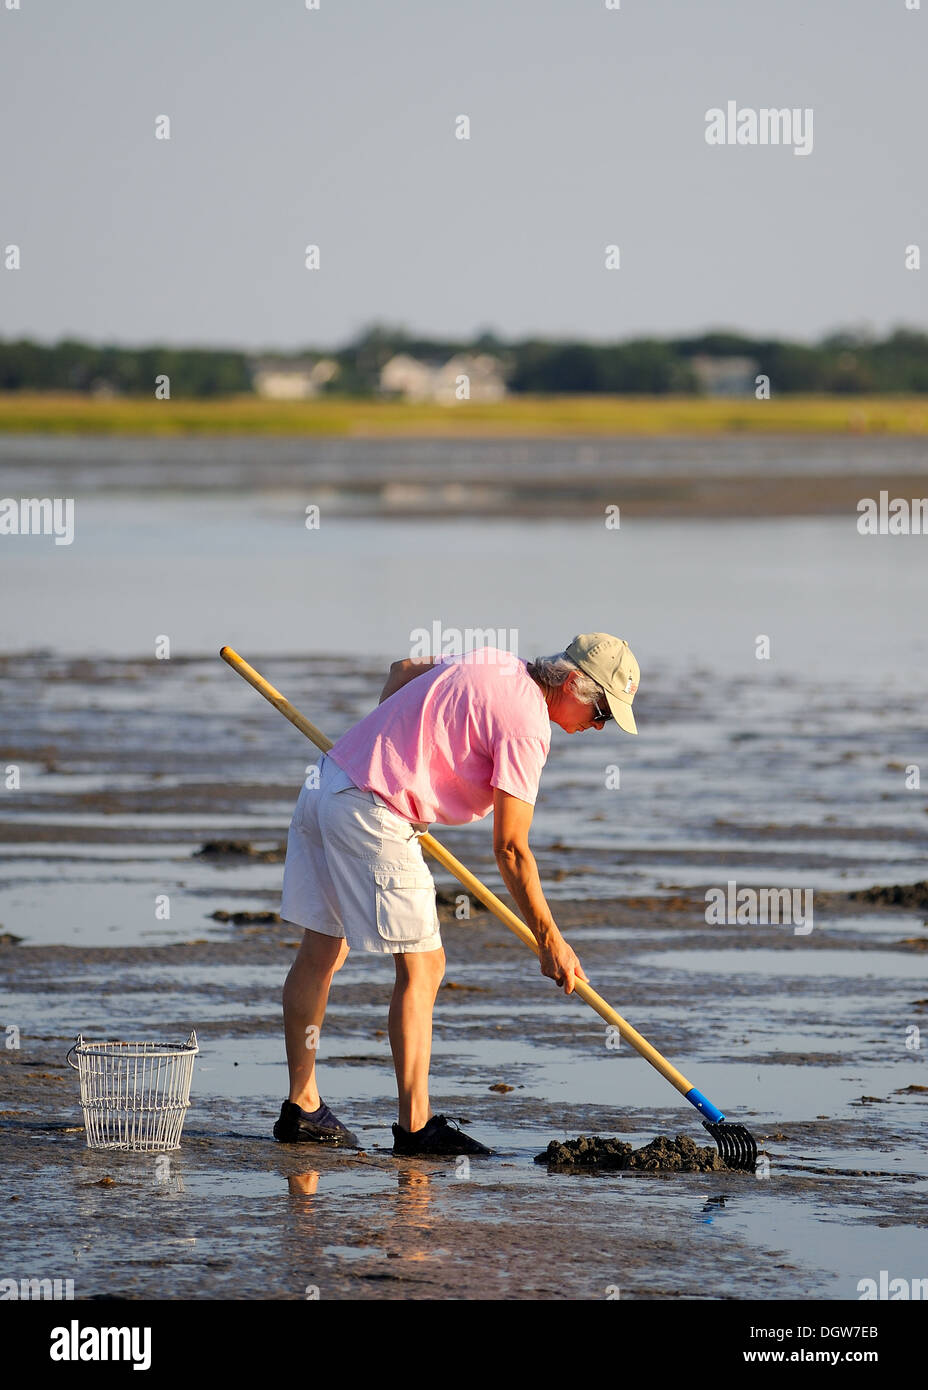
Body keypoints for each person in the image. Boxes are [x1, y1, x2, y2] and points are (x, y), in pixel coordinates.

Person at [273, 631, 640, 1156]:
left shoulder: (495, 659)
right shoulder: (528, 727)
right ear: (575, 682)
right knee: (424, 966)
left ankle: (302, 1106)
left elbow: (401, 669)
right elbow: (511, 848)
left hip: (328, 782)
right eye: (601, 710)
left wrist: (393, 750)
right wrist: (550, 939)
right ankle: (416, 1128)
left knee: (323, 949)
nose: (599, 726)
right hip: (372, 811)